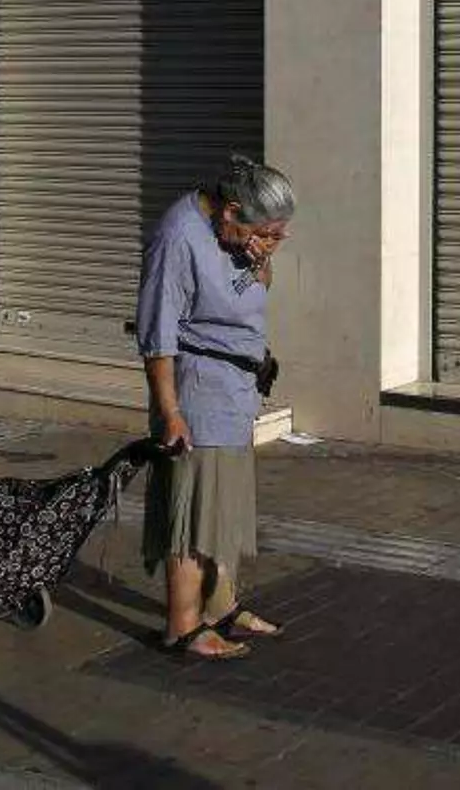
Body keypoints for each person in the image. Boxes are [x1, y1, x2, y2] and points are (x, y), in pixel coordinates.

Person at [135, 155, 296, 660]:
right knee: (192, 510)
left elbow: (254, 288)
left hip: (236, 392)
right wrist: (171, 413)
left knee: (220, 508)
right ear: (230, 211)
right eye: (266, 232)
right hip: (197, 394)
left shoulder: (236, 238)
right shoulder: (178, 239)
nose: (270, 242)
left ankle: (220, 607)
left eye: (277, 235)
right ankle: (183, 628)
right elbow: (157, 335)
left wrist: (260, 256)